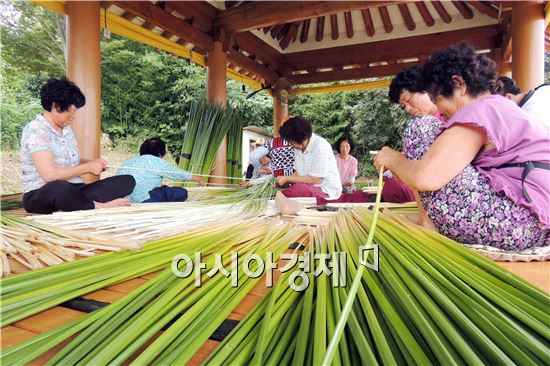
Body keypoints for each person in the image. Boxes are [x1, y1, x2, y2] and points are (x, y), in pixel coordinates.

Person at [375, 43, 550, 250]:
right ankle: (428, 221)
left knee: (421, 126)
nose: (438, 107)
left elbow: (426, 177)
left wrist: (392, 159)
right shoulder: (499, 107)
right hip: (535, 224)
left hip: (515, 222)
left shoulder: (480, 109)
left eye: (436, 98)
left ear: (459, 84)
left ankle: (427, 224)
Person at [20, 77, 135, 214]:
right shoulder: (36, 129)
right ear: (56, 106)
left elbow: (69, 158)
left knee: (127, 181)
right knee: (59, 188)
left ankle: (77, 203)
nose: (74, 116)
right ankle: (96, 206)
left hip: (74, 189)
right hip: (42, 193)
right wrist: (86, 168)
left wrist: (92, 162)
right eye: (73, 111)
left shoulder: (66, 129)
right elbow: (50, 175)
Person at [386, 65, 442, 206]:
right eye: (403, 106)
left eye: (408, 100)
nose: (408, 109)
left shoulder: (444, 118)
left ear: (425, 89)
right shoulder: (418, 125)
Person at [116, 137, 205, 203]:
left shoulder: (130, 161)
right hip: (144, 200)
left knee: (162, 188)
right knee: (181, 192)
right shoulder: (157, 161)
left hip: (123, 199)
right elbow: (176, 173)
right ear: (160, 153)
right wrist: (198, 178)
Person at [276, 117, 342, 200]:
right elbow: (298, 172)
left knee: (291, 193)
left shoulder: (320, 146)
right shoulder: (298, 148)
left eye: (292, 142)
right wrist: (284, 180)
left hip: (326, 190)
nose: (291, 145)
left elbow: (316, 180)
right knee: (285, 192)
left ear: (303, 138)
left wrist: (287, 178)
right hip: (308, 187)